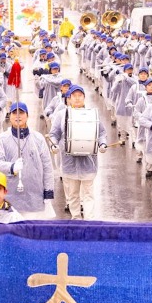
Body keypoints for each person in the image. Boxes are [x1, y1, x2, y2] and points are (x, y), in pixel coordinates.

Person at [49, 85, 108, 220]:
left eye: (79, 95)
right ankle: (76, 218)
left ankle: (89, 221)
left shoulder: (92, 114)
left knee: (88, 194)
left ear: (84, 97)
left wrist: (102, 144)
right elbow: (54, 134)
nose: (77, 98)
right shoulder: (61, 115)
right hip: (69, 162)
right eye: (73, 96)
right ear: (69, 99)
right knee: (72, 194)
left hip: (88, 162)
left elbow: (102, 133)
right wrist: (54, 145)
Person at [0, 102, 55, 219]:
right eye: (14, 113)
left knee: (32, 233)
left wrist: (48, 191)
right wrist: (11, 167)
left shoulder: (38, 138)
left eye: (21, 113)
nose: (18, 116)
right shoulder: (2, 139)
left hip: (35, 197)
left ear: (27, 116)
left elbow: (47, 167)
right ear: (10, 116)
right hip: (10, 197)